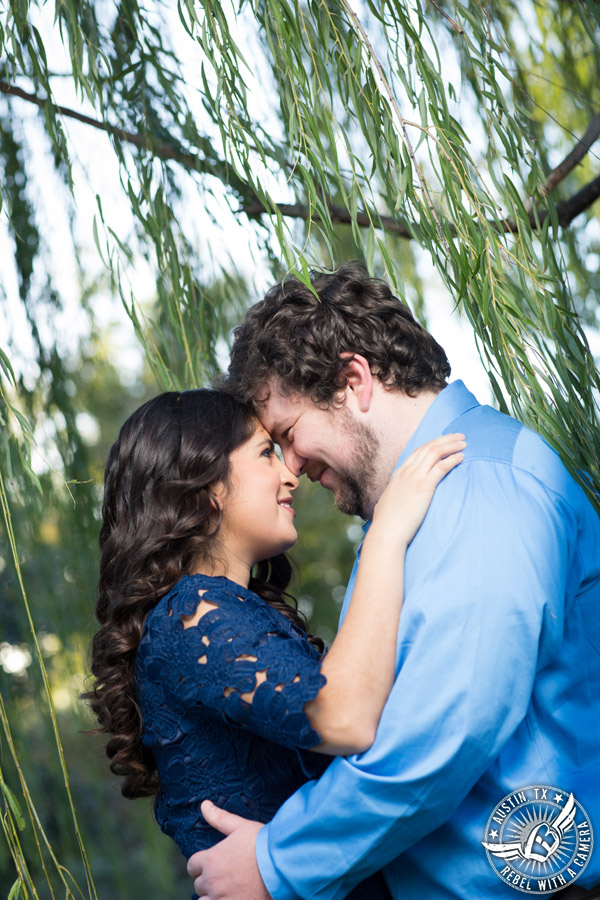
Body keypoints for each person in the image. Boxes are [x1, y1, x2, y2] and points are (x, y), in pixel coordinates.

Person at [188, 261, 600, 900]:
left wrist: (277, 863)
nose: (290, 469)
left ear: (354, 380)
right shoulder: (423, 508)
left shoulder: (484, 490)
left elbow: (442, 734)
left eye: (289, 435)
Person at [83, 388, 464, 899]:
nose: (290, 473)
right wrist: (386, 534)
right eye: (266, 452)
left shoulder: (227, 611)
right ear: (206, 487)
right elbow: (344, 718)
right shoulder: (193, 612)